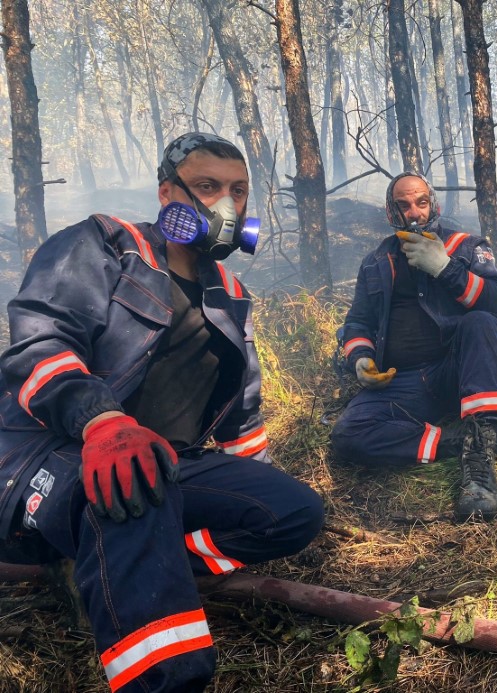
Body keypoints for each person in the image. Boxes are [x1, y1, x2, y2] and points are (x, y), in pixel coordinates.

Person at [0, 132, 325, 692]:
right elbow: (39, 344)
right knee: (135, 484)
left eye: (238, 191)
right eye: (208, 187)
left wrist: (258, 474)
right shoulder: (104, 245)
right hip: (55, 453)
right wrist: (103, 422)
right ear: (169, 194)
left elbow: (240, 413)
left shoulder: (228, 289)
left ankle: (131, 563)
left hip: (170, 463)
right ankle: (167, 682)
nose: (227, 205)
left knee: (294, 510)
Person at [330, 172, 497, 521]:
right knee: (349, 434)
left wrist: (446, 268)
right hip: (403, 383)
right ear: (391, 213)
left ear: (433, 205)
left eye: (421, 203)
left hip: (457, 375)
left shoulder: (465, 246)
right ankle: (457, 441)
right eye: (403, 206)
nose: (415, 213)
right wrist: (361, 359)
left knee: (481, 321)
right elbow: (358, 322)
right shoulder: (376, 261)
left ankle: (480, 459)